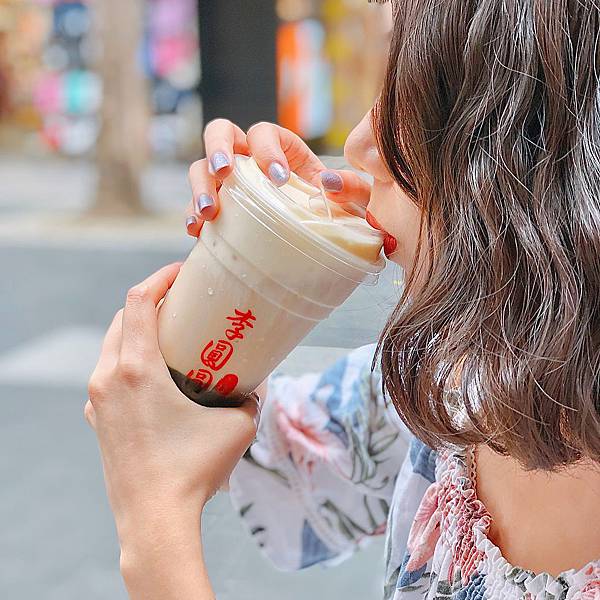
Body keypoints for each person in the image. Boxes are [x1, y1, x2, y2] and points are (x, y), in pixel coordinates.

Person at [84, 1, 600, 598]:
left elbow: (166, 468)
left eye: (424, 99)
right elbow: (226, 437)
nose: (359, 145)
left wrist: (154, 532)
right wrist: (274, 255)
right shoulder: (453, 378)